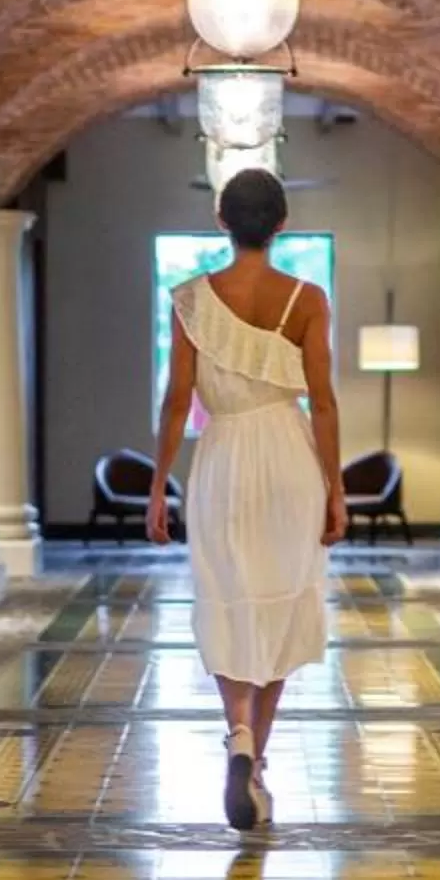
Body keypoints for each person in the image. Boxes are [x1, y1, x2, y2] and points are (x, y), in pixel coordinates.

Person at [147, 168, 346, 831]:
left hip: (223, 459)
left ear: (221, 222)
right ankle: (256, 761)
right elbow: (322, 401)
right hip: (289, 458)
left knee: (229, 600)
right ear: (282, 223)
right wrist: (335, 489)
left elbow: (178, 401)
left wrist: (156, 486)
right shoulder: (307, 298)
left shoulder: (192, 301)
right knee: (282, 601)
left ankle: (236, 734)